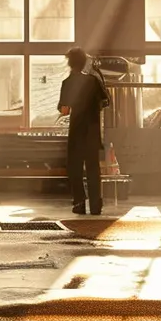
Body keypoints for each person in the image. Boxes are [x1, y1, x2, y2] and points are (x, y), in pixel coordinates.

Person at [58, 48, 108, 215]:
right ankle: (96, 205)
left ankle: (79, 202)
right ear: (84, 62)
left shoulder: (67, 83)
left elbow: (64, 110)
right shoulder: (93, 81)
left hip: (77, 131)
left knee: (75, 168)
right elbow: (105, 101)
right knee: (93, 168)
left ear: (70, 63)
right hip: (92, 131)